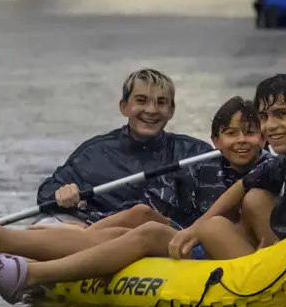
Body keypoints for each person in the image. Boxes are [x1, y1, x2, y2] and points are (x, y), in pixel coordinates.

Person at [0, 97, 268, 302]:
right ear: (216, 139)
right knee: (139, 213)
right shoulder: (205, 163)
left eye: (251, 133)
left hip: (226, 253)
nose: (242, 141)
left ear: (264, 137)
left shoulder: (269, 169)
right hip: (194, 238)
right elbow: (164, 206)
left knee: (143, 234)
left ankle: (16, 257)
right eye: (232, 134)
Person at [166, 73, 286, 261]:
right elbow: (245, 184)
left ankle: (260, 273)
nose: (270, 126)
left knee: (212, 229)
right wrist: (194, 228)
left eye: (281, 114)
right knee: (254, 198)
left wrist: (285, 251)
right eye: (264, 117)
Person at [35, 68, 212, 224]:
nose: (151, 110)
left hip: (169, 242)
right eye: (141, 100)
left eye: (161, 102)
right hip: (99, 238)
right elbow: (46, 193)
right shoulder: (94, 154)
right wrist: (61, 194)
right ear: (124, 107)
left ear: (171, 110)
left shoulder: (195, 153)